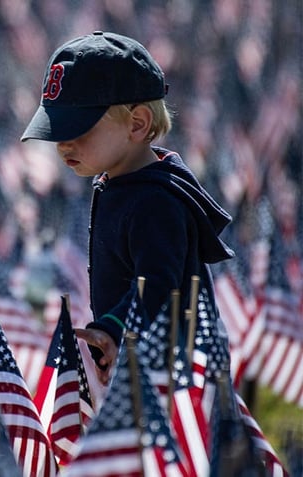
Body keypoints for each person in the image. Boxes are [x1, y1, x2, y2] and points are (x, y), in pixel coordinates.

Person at [21, 31, 235, 385]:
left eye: (79, 129)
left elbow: (158, 287)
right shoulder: (122, 185)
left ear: (137, 124)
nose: (63, 144)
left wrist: (115, 328)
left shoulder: (156, 201)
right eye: (58, 130)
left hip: (175, 376)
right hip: (143, 367)